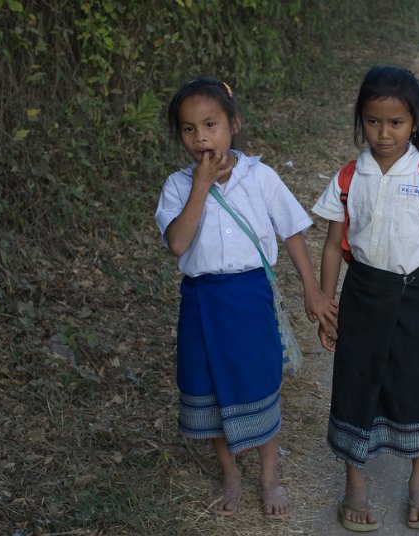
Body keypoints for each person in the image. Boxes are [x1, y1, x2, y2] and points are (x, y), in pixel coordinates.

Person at [155, 76, 337, 519]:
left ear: (233, 124)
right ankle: (230, 473)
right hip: (202, 301)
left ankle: (269, 475)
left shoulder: (259, 177)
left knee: (259, 380)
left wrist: (312, 291)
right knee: (210, 383)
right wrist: (201, 186)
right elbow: (178, 244)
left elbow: (292, 232)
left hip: (250, 295)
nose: (201, 137)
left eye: (211, 124)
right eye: (188, 128)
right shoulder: (178, 187)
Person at [312, 66, 419, 531]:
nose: (384, 133)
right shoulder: (347, 178)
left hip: (415, 296)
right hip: (361, 297)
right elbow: (333, 245)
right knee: (356, 384)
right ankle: (354, 485)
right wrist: (325, 302)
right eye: (374, 121)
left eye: (395, 123)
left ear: (414, 122)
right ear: (362, 119)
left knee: (414, 384)